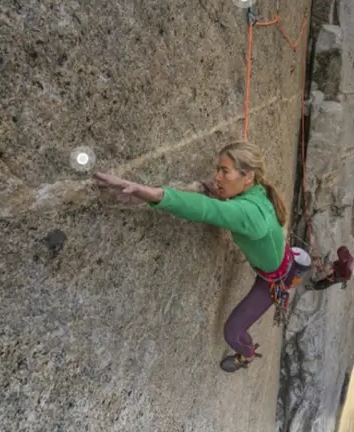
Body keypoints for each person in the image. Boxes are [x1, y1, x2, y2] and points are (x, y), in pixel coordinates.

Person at [93, 141, 311, 373]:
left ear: (248, 177)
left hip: (275, 279)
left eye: (224, 171)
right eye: (218, 169)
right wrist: (224, 197)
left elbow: (207, 209)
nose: (217, 177)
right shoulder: (258, 192)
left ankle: (246, 355)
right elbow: (226, 207)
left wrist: (152, 194)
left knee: (233, 332)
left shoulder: (251, 215)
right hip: (282, 262)